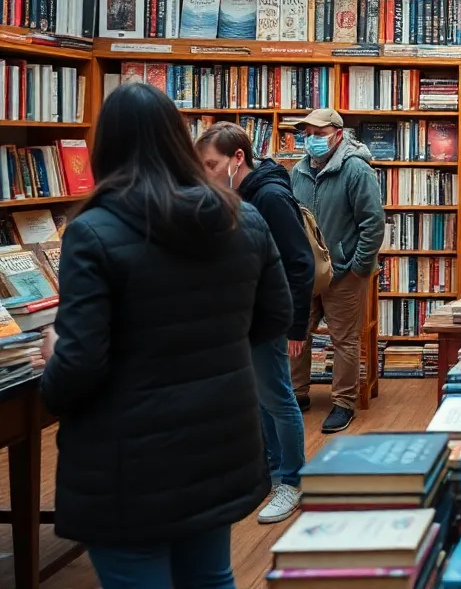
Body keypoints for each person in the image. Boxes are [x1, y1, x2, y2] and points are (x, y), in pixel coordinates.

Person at [39, 83, 292, 588]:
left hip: (130, 460)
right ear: (181, 142)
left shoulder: (93, 231)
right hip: (220, 437)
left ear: (104, 147)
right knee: (211, 576)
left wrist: (54, 357)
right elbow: (275, 318)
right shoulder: (242, 219)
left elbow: (80, 368)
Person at [196, 122, 314, 524]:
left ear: (237, 158)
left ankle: (292, 481)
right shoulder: (241, 194)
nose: (206, 173)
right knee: (263, 398)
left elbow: (300, 262)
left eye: (211, 164)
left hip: (268, 316)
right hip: (246, 315)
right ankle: (273, 471)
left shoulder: (270, 197)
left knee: (278, 397)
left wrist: (297, 326)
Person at [290, 108, 385, 433]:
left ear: (338, 134)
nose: (312, 140)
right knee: (296, 332)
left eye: (319, 133)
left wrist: (358, 267)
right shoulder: (298, 171)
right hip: (306, 272)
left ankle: (343, 403)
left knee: (343, 340)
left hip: (344, 272)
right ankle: (297, 394)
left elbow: (373, 223)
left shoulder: (356, 170)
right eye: (308, 134)